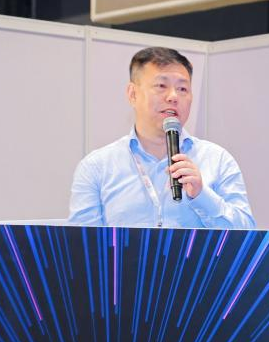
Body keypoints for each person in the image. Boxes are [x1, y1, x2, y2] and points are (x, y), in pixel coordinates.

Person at [68, 46, 255, 228]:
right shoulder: (97, 167)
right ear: (133, 94)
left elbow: (247, 234)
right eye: (161, 86)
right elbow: (81, 242)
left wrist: (202, 195)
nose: (173, 96)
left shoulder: (217, 160)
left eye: (182, 89)